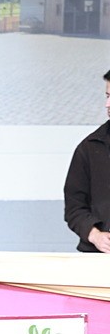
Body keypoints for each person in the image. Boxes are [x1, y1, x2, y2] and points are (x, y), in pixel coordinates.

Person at [63, 69, 110, 253]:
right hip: (98, 261)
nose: (108, 104)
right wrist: (95, 236)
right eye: (107, 96)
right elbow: (74, 208)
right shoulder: (89, 148)